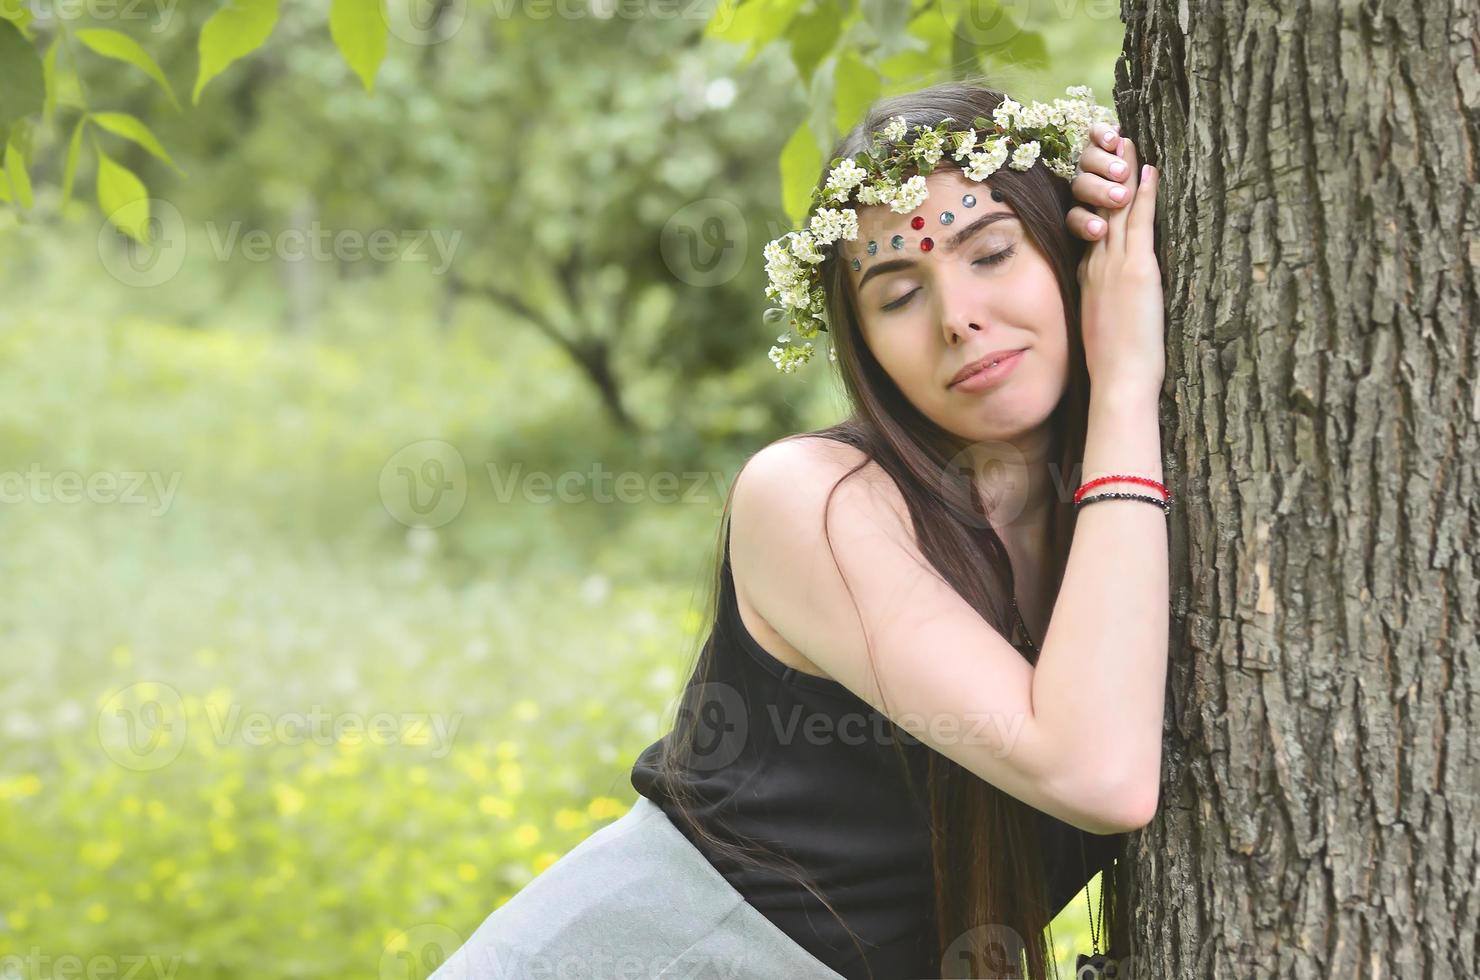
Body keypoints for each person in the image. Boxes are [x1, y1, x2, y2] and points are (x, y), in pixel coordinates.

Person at [432, 79, 1167, 980]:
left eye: (993, 252)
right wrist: (1128, 381)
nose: (957, 318)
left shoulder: (1116, 530)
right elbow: (1101, 777)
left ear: (1074, 247)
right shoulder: (811, 500)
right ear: (862, 345)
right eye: (898, 294)